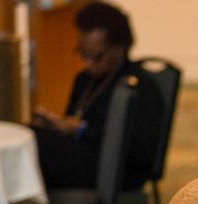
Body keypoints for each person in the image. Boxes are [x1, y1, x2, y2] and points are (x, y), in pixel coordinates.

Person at [31, 1, 163, 194]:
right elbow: (72, 122)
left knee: (37, 146)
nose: (88, 63)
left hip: (116, 171)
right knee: (30, 134)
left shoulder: (137, 86)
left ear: (119, 48)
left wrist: (82, 130)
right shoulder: (84, 80)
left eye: (96, 57)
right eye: (83, 54)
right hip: (83, 158)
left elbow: (136, 150)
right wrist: (55, 125)